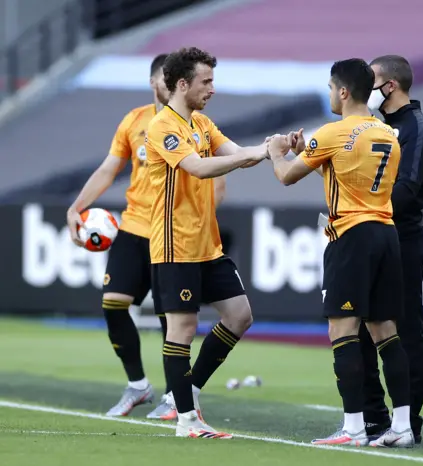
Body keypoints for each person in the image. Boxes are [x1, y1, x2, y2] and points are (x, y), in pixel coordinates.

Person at [267, 58, 414, 448]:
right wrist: (310, 155)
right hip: (385, 232)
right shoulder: (386, 132)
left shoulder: (332, 131)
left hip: (350, 236)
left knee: (342, 329)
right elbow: (349, 175)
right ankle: (402, 425)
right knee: (386, 333)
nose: (331, 94)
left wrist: (276, 152)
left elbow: (284, 176)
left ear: (343, 91)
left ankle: (353, 428)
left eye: (332, 88)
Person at [66, 54, 216, 420]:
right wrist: (76, 207)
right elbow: (109, 168)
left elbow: (213, 175)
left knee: (173, 318)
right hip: (134, 228)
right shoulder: (134, 121)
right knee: (114, 303)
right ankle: (137, 384)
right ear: (155, 83)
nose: (172, 87)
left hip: (173, 234)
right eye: (166, 82)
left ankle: (174, 397)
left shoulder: (195, 124)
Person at [145, 46, 267, 438]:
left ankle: (187, 392)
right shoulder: (163, 126)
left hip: (206, 245)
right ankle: (186, 420)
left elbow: (237, 154)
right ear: (183, 84)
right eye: (206, 81)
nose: (212, 88)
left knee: (239, 315)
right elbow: (197, 168)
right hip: (174, 244)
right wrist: (253, 154)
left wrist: (272, 149)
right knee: (182, 328)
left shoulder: (202, 124)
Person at [354, 54, 423, 444]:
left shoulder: (418, 129)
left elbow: (407, 192)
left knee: (404, 330)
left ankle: (409, 421)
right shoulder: (374, 127)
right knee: (357, 329)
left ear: (388, 86)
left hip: (399, 240)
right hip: (366, 235)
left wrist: (362, 206)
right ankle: (373, 418)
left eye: (370, 81)